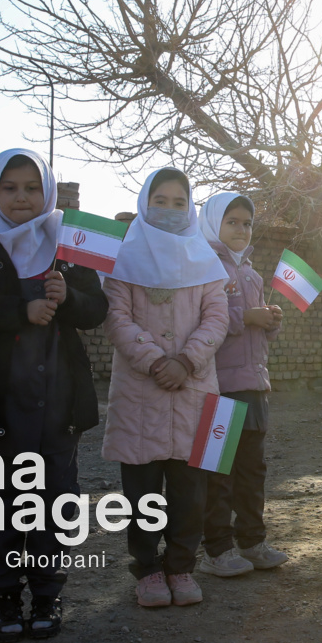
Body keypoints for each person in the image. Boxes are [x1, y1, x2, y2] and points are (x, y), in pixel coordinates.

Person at [0, 149, 108, 641]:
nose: (21, 198)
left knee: (54, 500)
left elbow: (96, 309)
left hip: (58, 401)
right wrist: (23, 307)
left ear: (48, 192)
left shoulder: (68, 242)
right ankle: (4, 598)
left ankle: (46, 594)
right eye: (10, 188)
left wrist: (67, 297)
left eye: (32, 188)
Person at [101, 169, 230, 608]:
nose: (171, 210)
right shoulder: (124, 259)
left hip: (193, 390)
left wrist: (187, 360)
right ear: (144, 202)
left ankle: (181, 567)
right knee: (141, 494)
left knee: (190, 492)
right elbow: (116, 318)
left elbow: (217, 318)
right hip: (141, 394)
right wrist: (156, 360)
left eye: (180, 202)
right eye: (161, 200)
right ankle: (148, 570)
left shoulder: (206, 262)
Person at [196, 191, 290, 577]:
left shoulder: (251, 273)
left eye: (247, 223)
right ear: (211, 223)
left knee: (253, 470)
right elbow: (201, 321)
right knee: (217, 473)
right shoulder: (203, 267)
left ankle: (252, 541)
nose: (240, 229)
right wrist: (244, 317)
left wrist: (270, 319)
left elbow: (257, 333)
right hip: (217, 387)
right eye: (231, 221)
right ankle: (216, 550)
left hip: (254, 385)